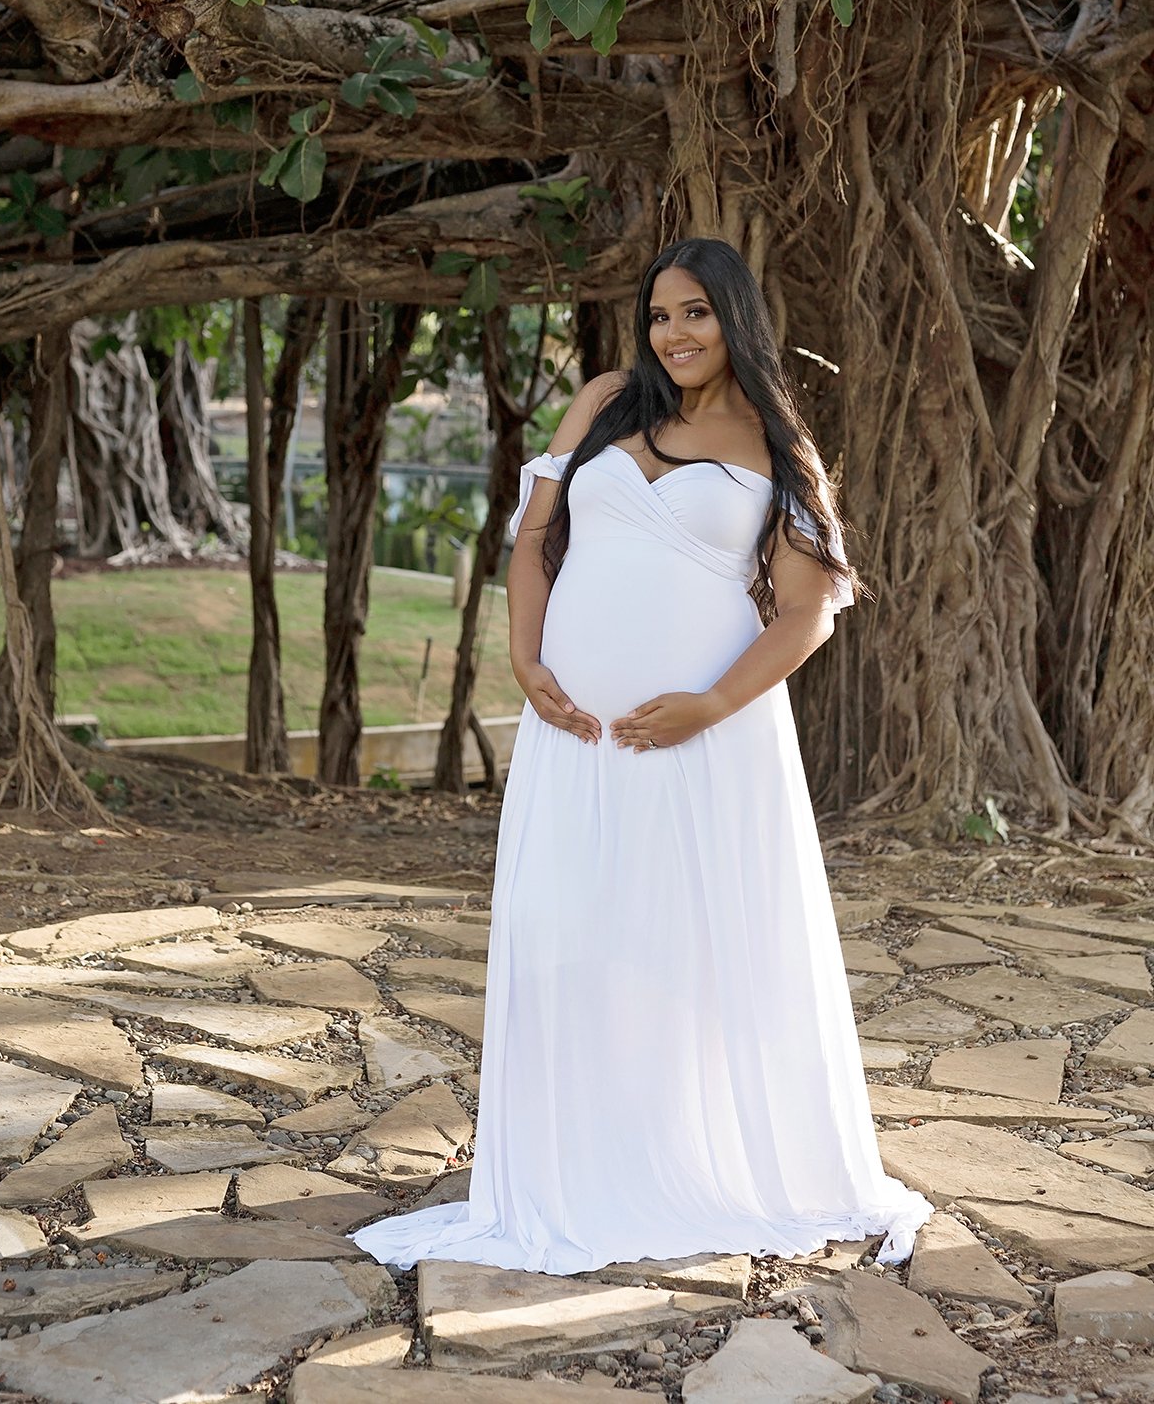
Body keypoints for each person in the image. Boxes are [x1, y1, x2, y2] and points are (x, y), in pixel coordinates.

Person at [349, 236, 933, 1276]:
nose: (675, 333)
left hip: (707, 744)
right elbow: (537, 539)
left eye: (697, 312)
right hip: (576, 735)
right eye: (662, 313)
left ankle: (683, 1155)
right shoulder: (609, 401)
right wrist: (525, 658)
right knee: (564, 926)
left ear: (736, 319)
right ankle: (580, 1160)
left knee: (687, 943)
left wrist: (708, 702)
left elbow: (809, 612)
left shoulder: (775, 443)